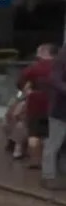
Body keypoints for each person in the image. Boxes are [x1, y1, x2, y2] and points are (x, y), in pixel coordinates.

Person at [18, 43, 56, 167]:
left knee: (34, 133)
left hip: (36, 104)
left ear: (44, 52)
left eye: (38, 52)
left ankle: (36, 161)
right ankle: (51, 161)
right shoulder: (60, 66)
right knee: (53, 134)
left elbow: (20, 80)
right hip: (56, 105)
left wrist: (26, 90)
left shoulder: (36, 67)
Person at [44, 46, 66, 190]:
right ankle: (48, 176)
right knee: (54, 144)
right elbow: (54, 79)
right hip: (60, 109)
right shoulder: (63, 55)